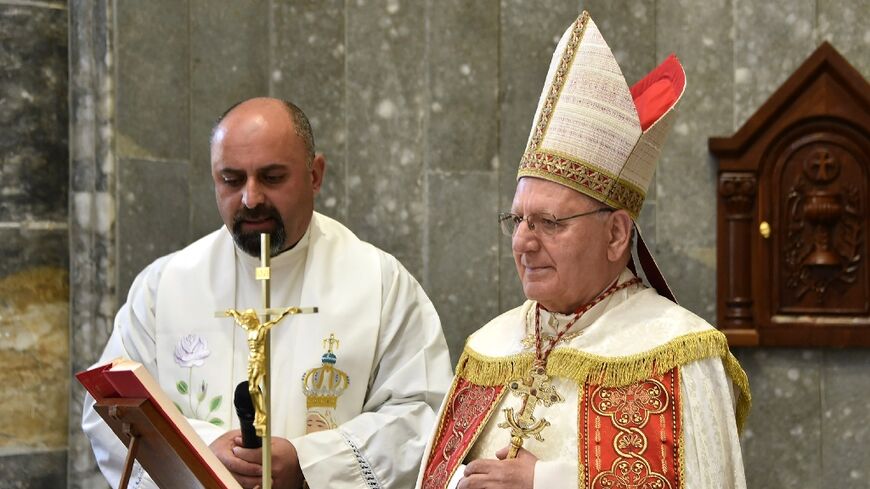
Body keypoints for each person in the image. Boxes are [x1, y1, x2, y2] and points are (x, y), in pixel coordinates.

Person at [416, 11, 750, 489]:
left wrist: (544, 483)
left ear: (616, 234)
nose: (524, 242)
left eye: (549, 222)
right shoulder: (487, 348)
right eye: (518, 220)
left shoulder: (680, 355)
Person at [82, 97, 453, 489]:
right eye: (231, 179)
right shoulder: (165, 286)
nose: (251, 198)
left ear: (315, 175)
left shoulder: (381, 282)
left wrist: (309, 464)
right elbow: (109, 410)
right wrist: (204, 451)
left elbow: (424, 414)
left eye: (272, 177)